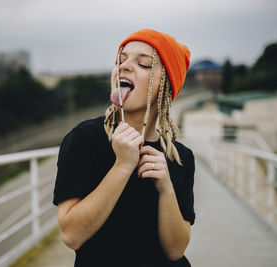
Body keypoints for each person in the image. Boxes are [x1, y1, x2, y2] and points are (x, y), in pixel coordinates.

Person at [53, 29, 195, 267]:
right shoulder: (85, 138)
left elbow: (175, 250)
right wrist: (122, 165)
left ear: (166, 89)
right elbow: (71, 235)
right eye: (121, 60)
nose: (125, 66)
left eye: (144, 64)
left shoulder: (180, 157)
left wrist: (166, 189)